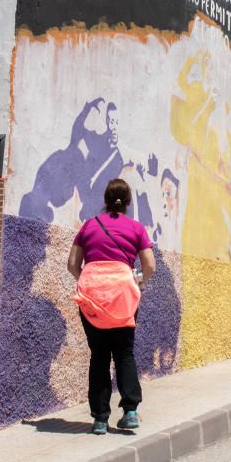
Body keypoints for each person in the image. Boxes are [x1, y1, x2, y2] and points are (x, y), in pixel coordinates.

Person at [68, 178, 156, 435]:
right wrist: (137, 281)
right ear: (128, 202)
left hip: (92, 299)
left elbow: (73, 264)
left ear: (105, 200)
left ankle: (99, 419)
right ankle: (130, 411)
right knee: (124, 353)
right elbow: (149, 265)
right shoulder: (136, 228)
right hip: (123, 297)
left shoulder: (88, 226)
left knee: (99, 356)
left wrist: (91, 282)